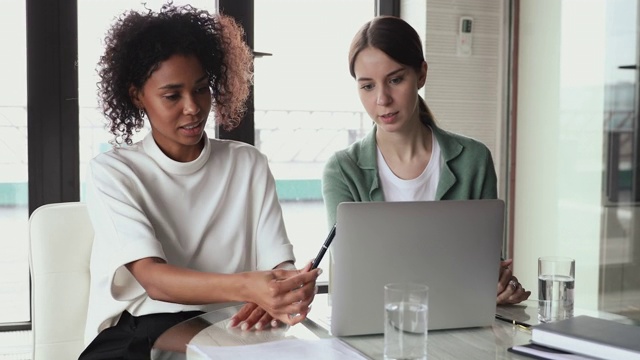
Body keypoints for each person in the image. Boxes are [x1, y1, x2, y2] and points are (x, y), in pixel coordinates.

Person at [80, 4, 320, 359]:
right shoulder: (114, 171)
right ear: (136, 96)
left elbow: (278, 263)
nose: (193, 107)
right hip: (139, 333)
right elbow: (153, 280)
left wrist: (288, 289)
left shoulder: (248, 163)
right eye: (172, 95)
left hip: (231, 326)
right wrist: (249, 287)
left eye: (202, 88)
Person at [321, 16, 530, 305]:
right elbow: (354, 273)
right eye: (367, 86)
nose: (382, 99)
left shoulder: (474, 159)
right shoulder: (342, 170)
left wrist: (500, 286)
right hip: (375, 327)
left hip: (459, 324)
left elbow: (487, 265)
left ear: (421, 75)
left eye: (395, 80)